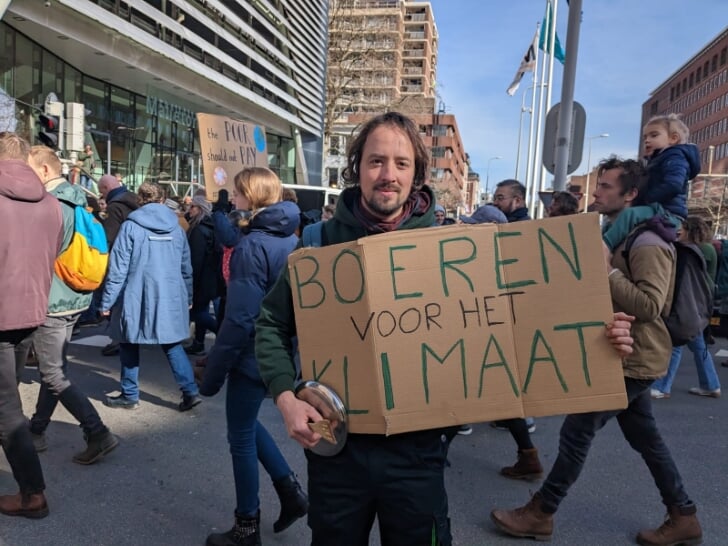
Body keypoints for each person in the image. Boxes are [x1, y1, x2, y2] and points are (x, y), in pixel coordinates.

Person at [255, 112, 635, 546]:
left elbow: (522, 322)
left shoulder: (453, 248)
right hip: (335, 445)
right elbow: (270, 324)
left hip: (418, 454)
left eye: (401, 164)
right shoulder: (317, 245)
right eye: (377, 161)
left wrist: (595, 337)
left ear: (417, 173)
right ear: (357, 166)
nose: (388, 175)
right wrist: (286, 396)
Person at [491, 157, 702, 546]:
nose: (597, 191)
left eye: (606, 186)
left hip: (633, 360)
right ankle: (683, 514)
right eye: (598, 184)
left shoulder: (649, 240)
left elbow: (651, 305)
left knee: (577, 433)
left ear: (631, 194)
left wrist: (607, 272)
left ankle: (542, 512)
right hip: (624, 353)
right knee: (647, 439)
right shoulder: (617, 235)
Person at [200, 167, 307, 546]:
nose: (235, 197)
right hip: (278, 350)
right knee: (245, 425)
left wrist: (212, 374)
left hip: (252, 352)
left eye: (238, 192)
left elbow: (240, 318)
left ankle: (247, 526)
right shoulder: (290, 238)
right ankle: (290, 492)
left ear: (251, 195)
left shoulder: (253, 245)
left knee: (239, 437)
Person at [17, 146, 118, 465]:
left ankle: (97, 432)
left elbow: (38, 257)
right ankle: (37, 429)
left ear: (45, 171)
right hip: (74, 295)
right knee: (54, 368)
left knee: (53, 373)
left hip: (53, 299)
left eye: (29, 169)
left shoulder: (52, 205)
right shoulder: (78, 200)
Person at [0, 132, 63, 519]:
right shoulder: (52, 204)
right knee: (7, 403)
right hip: (30, 313)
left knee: (7, 410)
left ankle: (32, 493)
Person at [99, 182, 201, 412]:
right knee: (172, 344)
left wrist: (107, 302)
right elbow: (186, 267)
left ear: (139, 200)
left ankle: (130, 394)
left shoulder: (130, 227)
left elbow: (118, 269)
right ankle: (190, 391)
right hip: (170, 294)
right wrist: (188, 296)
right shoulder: (177, 228)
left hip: (137, 294)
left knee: (128, 342)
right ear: (163, 200)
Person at [488, 181, 542, 477]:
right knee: (500, 387)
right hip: (499, 317)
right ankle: (528, 454)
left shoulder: (519, 231)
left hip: (505, 318)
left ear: (517, 200)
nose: (496, 202)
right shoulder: (511, 225)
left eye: (500, 197)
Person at [602, 114, 700, 252]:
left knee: (629, 215)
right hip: (660, 208)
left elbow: (674, 185)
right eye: (645, 137)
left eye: (654, 135)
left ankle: (602, 248)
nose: (647, 140)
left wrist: (648, 197)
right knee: (614, 220)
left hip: (668, 212)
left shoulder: (675, 157)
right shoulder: (659, 159)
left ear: (673, 138)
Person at [651, 216, 721, 399]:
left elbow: (685, 277)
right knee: (697, 345)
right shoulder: (707, 248)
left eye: (682, 228)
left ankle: (662, 387)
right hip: (699, 303)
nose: (678, 231)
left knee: (676, 342)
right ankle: (710, 384)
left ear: (691, 230)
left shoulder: (696, 250)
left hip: (691, 302)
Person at [94, 173, 140, 355]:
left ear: (106, 188)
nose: (102, 196)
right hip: (138, 256)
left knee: (110, 297)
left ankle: (118, 338)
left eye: (101, 192)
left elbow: (109, 237)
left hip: (119, 257)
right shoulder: (134, 200)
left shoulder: (114, 207)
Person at [185, 195, 221, 355]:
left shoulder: (199, 230)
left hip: (201, 278)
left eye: (192, 206)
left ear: (200, 209)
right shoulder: (209, 225)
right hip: (210, 277)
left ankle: (220, 333)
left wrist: (191, 282)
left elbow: (195, 259)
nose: (189, 209)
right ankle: (199, 342)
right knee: (202, 310)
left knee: (197, 313)